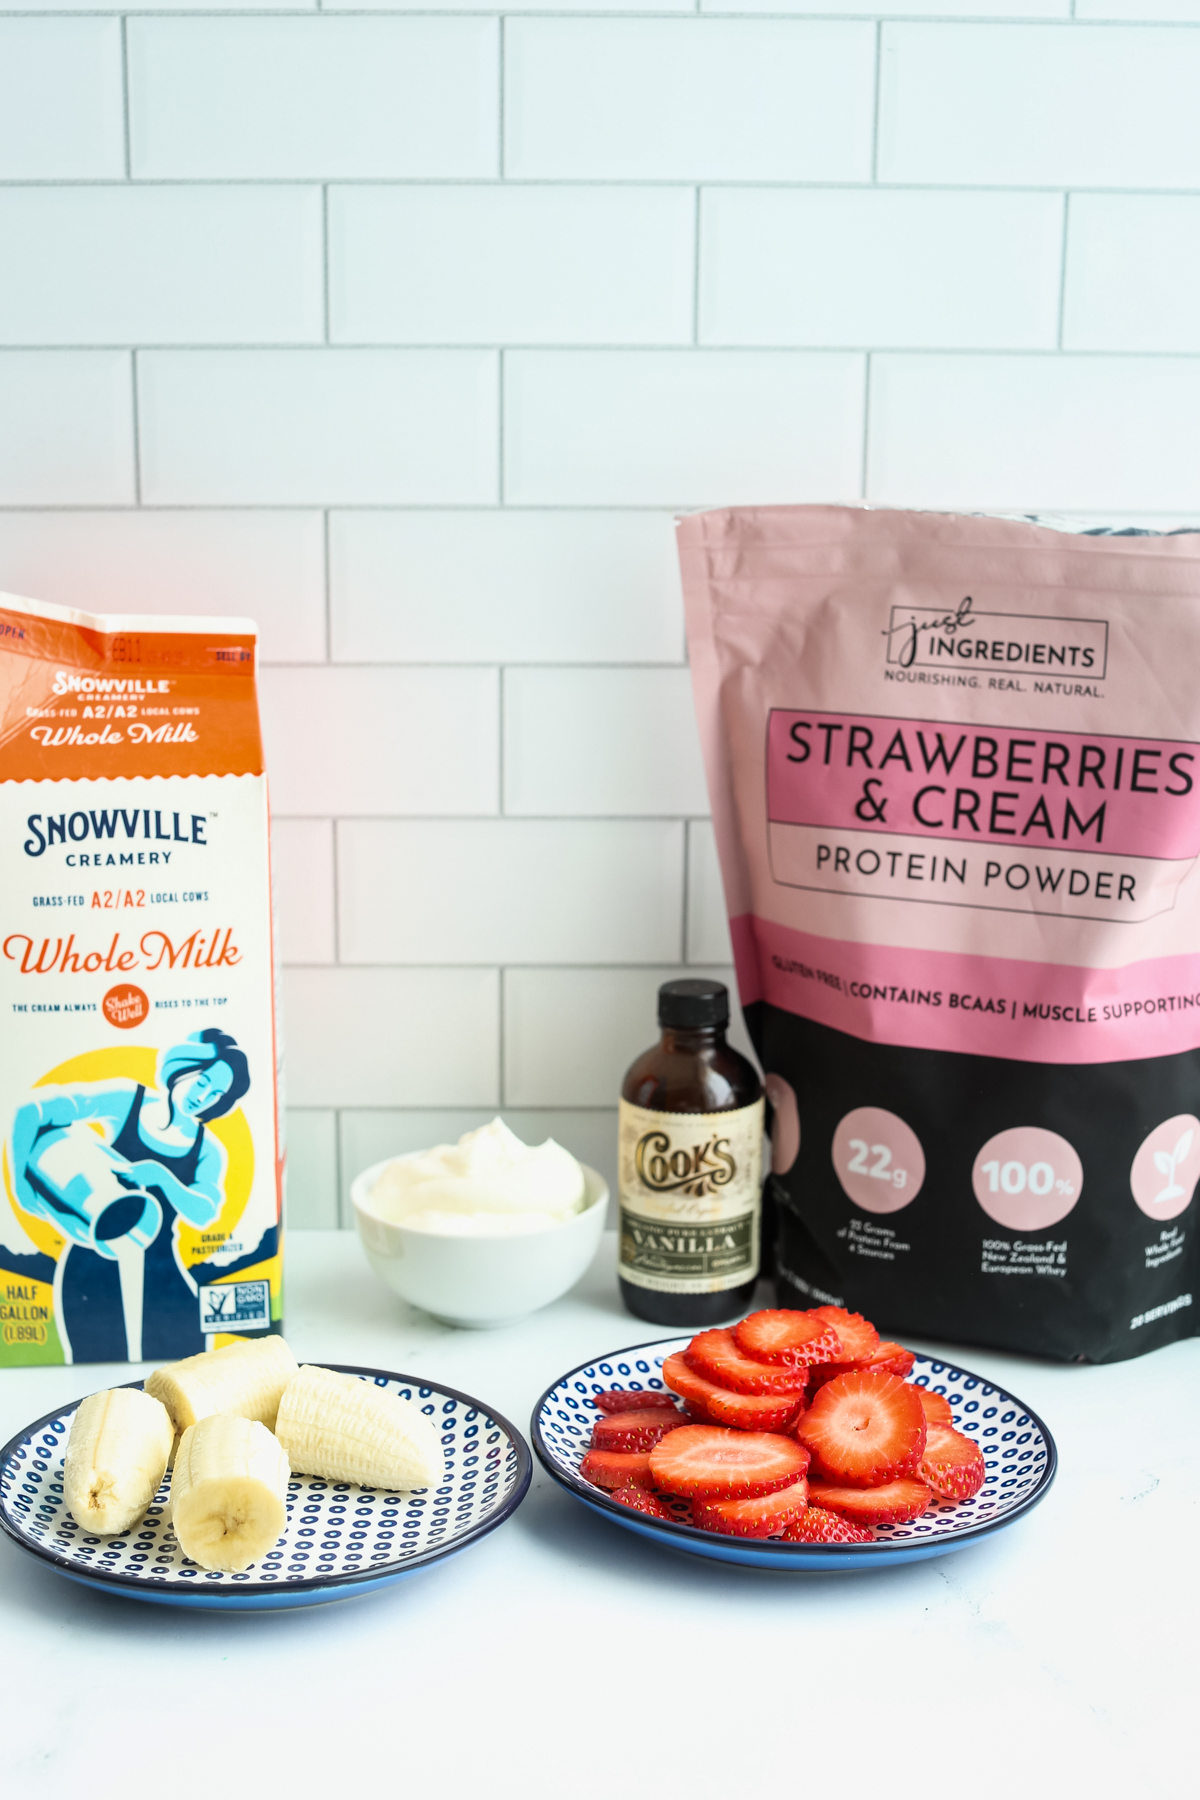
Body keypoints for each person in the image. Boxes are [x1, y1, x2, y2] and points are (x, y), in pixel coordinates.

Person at [10, 1029, 250, 1362]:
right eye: (203, 1081)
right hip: (91, 1264)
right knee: (92, 1367)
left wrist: (163, 1179)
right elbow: (33, 1113)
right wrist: (20, 1181)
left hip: (162, 1273)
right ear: (185, 1065)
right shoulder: (128, 1101)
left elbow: (204, 1211)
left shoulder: (207, 1148)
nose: (204, 1096)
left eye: (216, 1094)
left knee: (189, 1365)